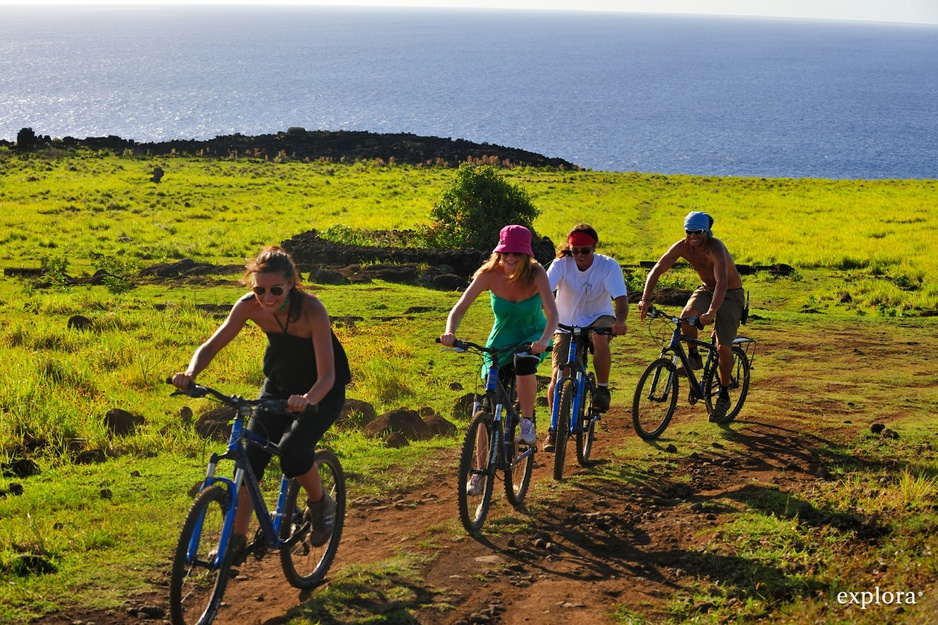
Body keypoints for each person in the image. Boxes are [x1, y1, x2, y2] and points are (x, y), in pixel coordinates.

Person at [171, 245, 351, 561]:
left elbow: (327, 375)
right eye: (259, 290)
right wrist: (190, 373)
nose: (267, 298)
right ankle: (236, 540)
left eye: (275, 290)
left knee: (294, 453)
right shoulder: (247, 307)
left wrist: (307, 399)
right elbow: (212, 346)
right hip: (278, 387)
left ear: (292, 282)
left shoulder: (312, 311)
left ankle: (321, 502)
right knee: (250, 460)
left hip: (321, 391)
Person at [440, 225, 558, 495]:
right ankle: (480, 471)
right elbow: (459, 309)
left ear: (526, 254)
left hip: (532, 335)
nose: (511, 258)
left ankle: (526, 421)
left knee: (524, 364)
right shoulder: (488, 274)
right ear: (499, 253)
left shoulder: (537, 274)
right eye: (506, 253)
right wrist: (450, 331)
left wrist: (543, 340)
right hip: (500, 340)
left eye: (517, 253)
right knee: (487, 401)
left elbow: (552, 314)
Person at [636, 211, 744, 421]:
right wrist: (646, 298)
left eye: (698, 232)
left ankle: (723, 395)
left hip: (730, 294)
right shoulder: (682, 246)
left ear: (707, 232)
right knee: (685, 316)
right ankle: (694, 358)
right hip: (706, 289)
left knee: (723, 347)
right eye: (689, 232)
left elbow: (722, 282)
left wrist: (712, 311)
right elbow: (658, 269)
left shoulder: (715, 248)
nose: (693, 236)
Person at [544, 223, 629, 452]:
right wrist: (544, 314)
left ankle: (602, 388)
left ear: (594, 247)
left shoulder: (608, 266)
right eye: (575, 251)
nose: (580, 256)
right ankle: (553, 430)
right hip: (565, 323)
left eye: (585, 251)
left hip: (598, 318)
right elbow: (545, 290)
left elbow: (620, 298)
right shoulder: (561, 265)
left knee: (598, 337)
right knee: (557, 375)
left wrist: (619, 321)